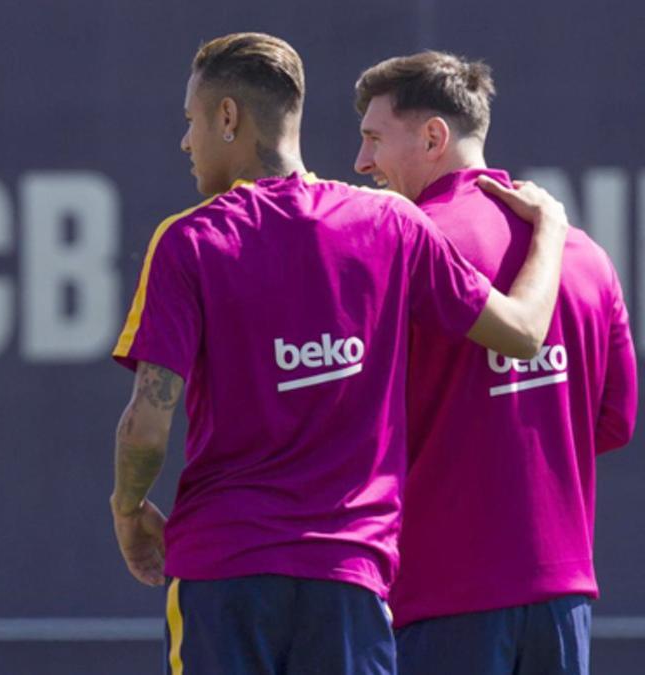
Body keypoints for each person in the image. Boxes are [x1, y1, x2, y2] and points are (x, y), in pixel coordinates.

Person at [108, 32, 570, 674]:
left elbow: (146, 425)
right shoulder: (391, 223)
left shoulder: (191, 240)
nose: (186, 142)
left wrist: (128, 510)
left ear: (228, 117)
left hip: (224, 575)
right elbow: (523, 331)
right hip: (348, 580)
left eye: (191, 122)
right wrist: (551, 230)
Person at [353, 51, 637, 675]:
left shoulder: (397, 249)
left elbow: (351, 425)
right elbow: (612, 422)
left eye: (373, 138)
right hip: (563, 603)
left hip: (442, 601)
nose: (361, 162)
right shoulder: (583, 253)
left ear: (434, 137)